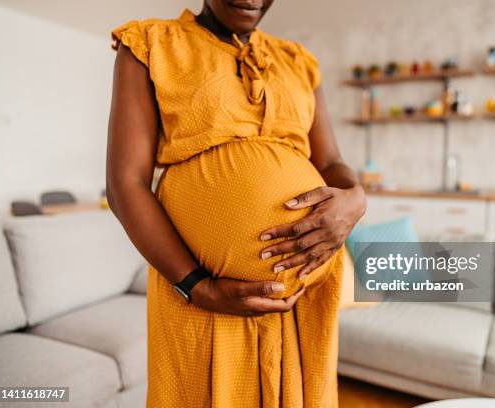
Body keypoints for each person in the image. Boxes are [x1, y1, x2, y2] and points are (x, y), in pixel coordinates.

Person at [106, 1, 365, 406]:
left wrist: (356, 199)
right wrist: (198, 286)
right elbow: (126, 185)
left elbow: (331, 163)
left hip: (302, 300)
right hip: (199, 293)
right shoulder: (150, 44)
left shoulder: (298, 62)